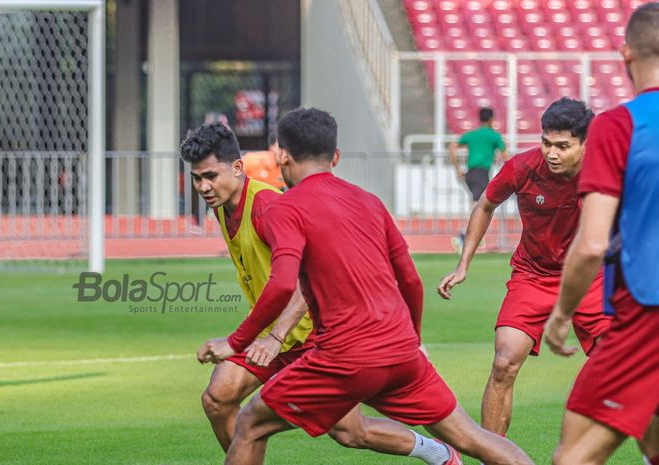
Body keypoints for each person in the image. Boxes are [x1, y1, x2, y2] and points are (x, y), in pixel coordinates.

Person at [199, 108, 534, 465]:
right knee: (472, 437)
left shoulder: (285, 208)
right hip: (402, 351)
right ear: (336, 157)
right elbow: (410, 280)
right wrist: (414, 342)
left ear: (281, 155)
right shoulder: (370, 202)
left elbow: (282, 284)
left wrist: (234, 342)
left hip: (345, 358)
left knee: (251, 423)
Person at [438, 98, 612, 442]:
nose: (552, 153)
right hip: (533, 276)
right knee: (504, 362)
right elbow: (485, 204)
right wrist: (463, 265)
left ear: (585, 144)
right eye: (547, 142)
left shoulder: (607, 171)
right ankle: (494, 456)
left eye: (563, 146)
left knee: (621, 367)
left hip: (592, 277)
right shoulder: (522, 167)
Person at [543, 4, 659, 464]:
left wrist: (560, 314)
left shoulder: (617, 125)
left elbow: (591, 243)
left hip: (646, 312)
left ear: (625, 54)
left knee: (572, 459)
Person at [449, 108, 509, 252]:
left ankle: (471, 236)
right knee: (479, 206)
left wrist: (457, 168)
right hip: (481, 173)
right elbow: (505, 156)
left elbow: (452, 147)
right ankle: (463, 235)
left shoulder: (472, 135)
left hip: (471, 173)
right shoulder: (494, 136)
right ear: (491, 120)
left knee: (479, 205)